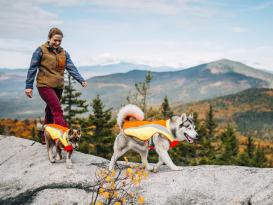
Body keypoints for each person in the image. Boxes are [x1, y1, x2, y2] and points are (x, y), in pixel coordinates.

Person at [25, 27, 87, 143]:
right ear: (49, 38)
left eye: (59, 41)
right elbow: (32, 68)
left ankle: (45, 138)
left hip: (58, 86)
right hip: (44, 85)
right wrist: (29, 86)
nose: (57, 43)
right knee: (57, 109)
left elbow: (71, 68)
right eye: (55, 40)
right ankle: (64, 137)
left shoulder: (64, 53)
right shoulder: (41, 50)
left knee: (50, 110)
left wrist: (81, 79)